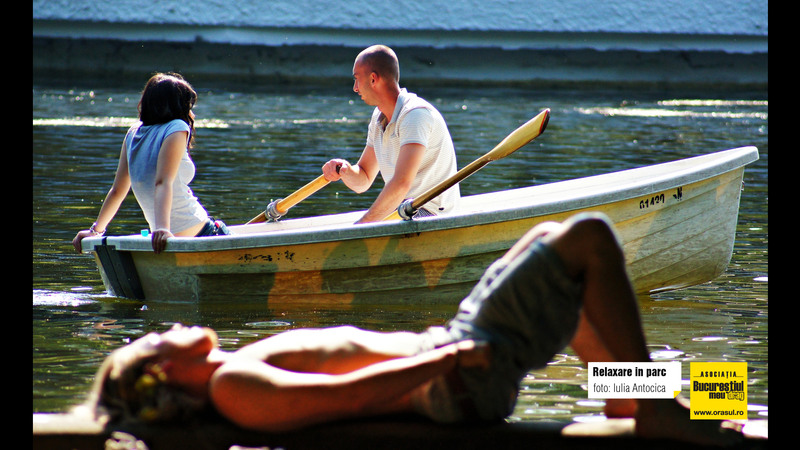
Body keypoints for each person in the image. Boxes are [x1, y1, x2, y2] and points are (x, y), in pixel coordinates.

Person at [74, 212, 742, 446]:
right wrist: (448, 358)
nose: (174, 326)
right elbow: (353, 397)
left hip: (449, 352)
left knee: (548, 240)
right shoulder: (237, 388)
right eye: (155, 340)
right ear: (159, 374)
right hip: (454, 376)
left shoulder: (232, 378)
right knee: (589, 238)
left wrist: (447, 348)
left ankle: (641, 397)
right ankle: (656, 410)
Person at [72, 72, 229, 255]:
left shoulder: (133, 132)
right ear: (176, 105)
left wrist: (96, 230)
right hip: (199, 232)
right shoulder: (177, 127)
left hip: (170, 236)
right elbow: (162, 182)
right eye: (188, 105)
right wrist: (163, 229)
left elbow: (118, 190)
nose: (191, 112)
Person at [322, 45, 460, 223]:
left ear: (373, 79)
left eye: (357, 79)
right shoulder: (379, 117)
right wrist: (344, 170)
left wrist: (362, 226)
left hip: (432, 215)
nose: (355, 88)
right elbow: (363, 178)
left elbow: (402, 184)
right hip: (403, 210)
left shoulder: (415, 114)